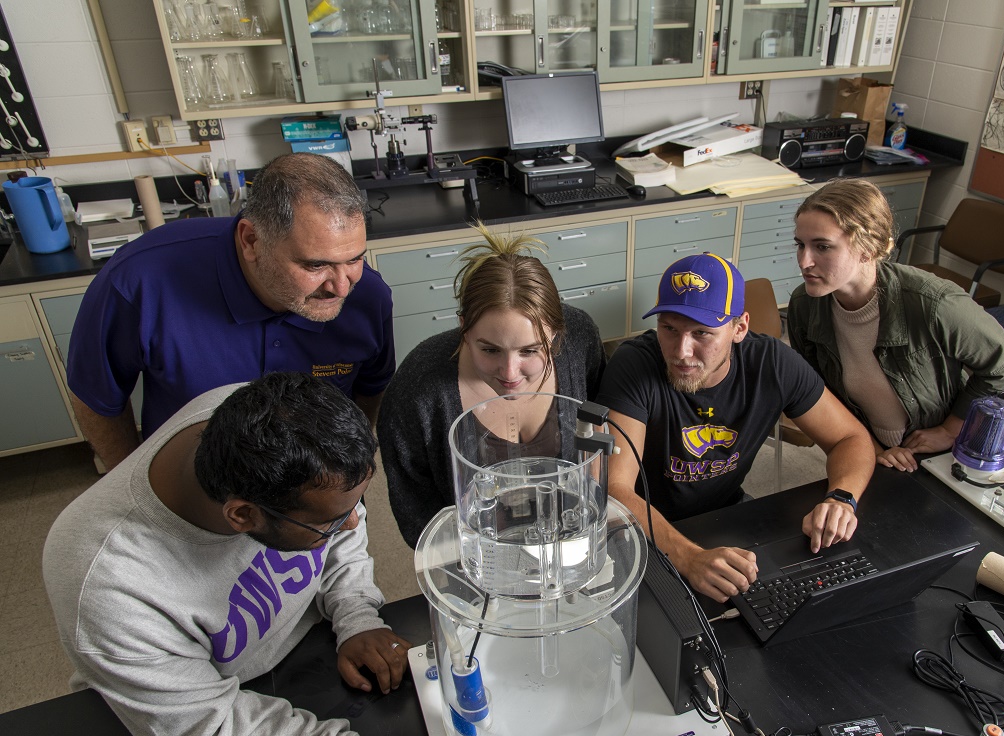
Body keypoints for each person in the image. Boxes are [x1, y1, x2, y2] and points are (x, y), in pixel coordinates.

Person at [43, 372, 464, 736]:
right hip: (185, 717)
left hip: (302, 663)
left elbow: (341, 514)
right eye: (331, 521)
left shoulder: (261, 419)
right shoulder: (109, 585)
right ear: (242, 516)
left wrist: (354, 612)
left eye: (356, 504)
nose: (353, 522)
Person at [67, 152, 395, 470]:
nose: (341, 287)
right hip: (192, 484)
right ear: (251, 240)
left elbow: (370, 390)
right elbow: (96, 397)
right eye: (315, 264)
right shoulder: (138, 282)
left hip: (318, 491)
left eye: (354, 259)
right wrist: (132, 485)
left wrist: (346, 476)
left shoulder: (367, 296)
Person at [595, 253, 875, 603]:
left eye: (702, 333)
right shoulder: (634, 365)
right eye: (669, 328)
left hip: (727, 514)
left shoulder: (772, 363)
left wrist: (841, 498)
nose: (682, 351)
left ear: (739, 328)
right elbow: (611, 487)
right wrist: (687, 557)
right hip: (640, 529)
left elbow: (850, 437)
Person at [378, 224, 605, 547]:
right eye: (489, 350)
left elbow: (597, 414)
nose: (510, 373)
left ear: (555, 335)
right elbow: (417, 513)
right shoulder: (418, 390)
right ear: (464, 330)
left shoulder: (579, 339)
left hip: (569, 544)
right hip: (476, 557)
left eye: (529, 351)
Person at [787, 178, 1004, 473]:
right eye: (800, 245)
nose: (804, 261)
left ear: (867, 250)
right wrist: (869, 447)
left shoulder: (933, 302)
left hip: (938, 453)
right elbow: (816, 392)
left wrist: (951, 429)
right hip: (870, 448)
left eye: (822, 247)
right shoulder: (804, 306)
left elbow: (1003, 365)